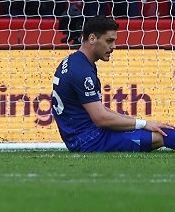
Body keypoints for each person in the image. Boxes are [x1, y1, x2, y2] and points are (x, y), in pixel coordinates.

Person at [51, 15, 175, 152]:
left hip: (84, 136)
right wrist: (143, 124)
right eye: (109, 41)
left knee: (160, 130)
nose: (113, 46)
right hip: (91, 141)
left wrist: (140, 123)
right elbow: (101, 118)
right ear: (92, 38)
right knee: (165, 135)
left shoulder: (73, 61)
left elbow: (101, 111)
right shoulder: (82, 72)